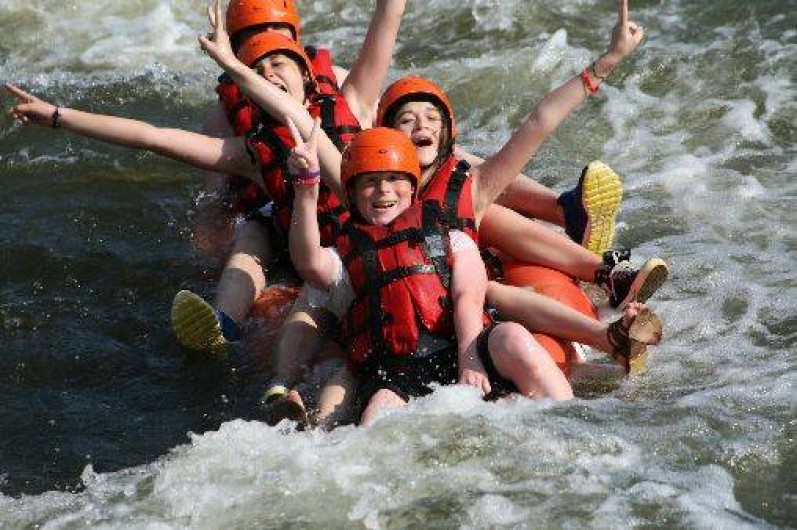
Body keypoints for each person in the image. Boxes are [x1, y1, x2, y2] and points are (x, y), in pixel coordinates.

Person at [266, 0, 665, 427]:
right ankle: (296, 401)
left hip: (459, 311)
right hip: (392, 348)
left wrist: (606, 62)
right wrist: (305, 182)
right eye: (407, 119)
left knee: (494, 299)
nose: (423, 125)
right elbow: (311, 248)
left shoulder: (463, 191)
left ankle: (597, 321)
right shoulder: (369, 193)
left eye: (431, 117)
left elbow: (537, 124)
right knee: (329, 329)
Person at [4, 0, 403, 359]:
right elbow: (152, 137)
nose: (267, 75)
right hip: (306, 247)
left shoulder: (350, 98)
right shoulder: (248, 150)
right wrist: (60, 116)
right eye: (257, 70)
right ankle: (223, 325)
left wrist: (233, 64)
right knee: (253, 235)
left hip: (362, 237)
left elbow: (387, 20)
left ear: (307, 73)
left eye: (278, 64)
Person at [289, 125, 583, 425]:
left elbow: (467, 295)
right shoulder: (343, 259)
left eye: (393, 178)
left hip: (464, 344)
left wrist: (470, 356)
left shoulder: (449, 237)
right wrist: (306, 189)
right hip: (398, 371)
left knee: (513, 337)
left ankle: (569, 420)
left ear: (413, 186)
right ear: (351, 193)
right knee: (379, 409)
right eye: (370, 182)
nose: (384, 189)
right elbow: (308, 261)